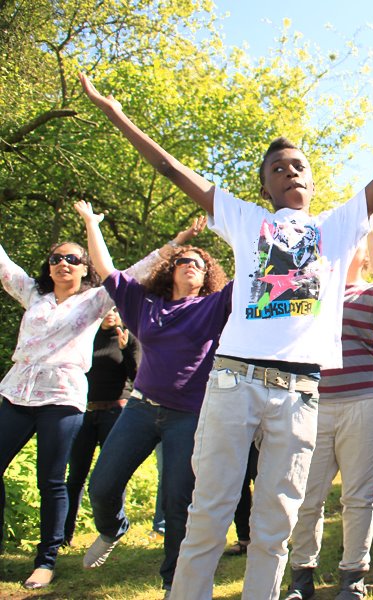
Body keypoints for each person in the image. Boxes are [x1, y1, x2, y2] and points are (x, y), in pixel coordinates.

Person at [80, 51, 373, 599]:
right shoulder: (247, 219)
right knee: (207, 516)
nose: (291, 172)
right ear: (264, 187)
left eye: (300, 167)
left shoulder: (336, 228)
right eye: (278, 169)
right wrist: (113, 111)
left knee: (276, 529)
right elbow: (170, 168)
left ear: (312, 183)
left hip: (299, 394)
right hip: (233, 384)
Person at [0, 208, 172, 590]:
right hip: (16, 393)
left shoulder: (95, 301)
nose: (63, 263)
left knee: (52, 480)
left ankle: (46, 560)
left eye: (73, 259)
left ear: (84, 268)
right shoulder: (34, 296)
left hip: (61, 399)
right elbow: (4, 264)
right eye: (57, 258)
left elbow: (136, 272)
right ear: (48, 267)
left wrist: (173, 245)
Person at [76, 203, 232, 596]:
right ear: (171, 269)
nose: (191, 264)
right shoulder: (145, 303)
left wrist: (233, 227)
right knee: (102, 485)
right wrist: (92, 224)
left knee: (179, 505)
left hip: (189, 417)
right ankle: (113, 528)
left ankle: (173, 582)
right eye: (184, 260)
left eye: (199, 262)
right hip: (141, 409)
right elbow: (107, 268)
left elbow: (252, 274)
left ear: (207, 275)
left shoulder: (213, 306)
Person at [285, 222, 373, 600]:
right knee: (307, 496)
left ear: (365, 255)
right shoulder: (310, 292)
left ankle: (353, 578)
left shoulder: (371, 293)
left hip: (364, 402)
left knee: (357, 496)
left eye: (354, 244)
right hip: (315, 405)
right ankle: (301, 577)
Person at [64, 307, 139, 545]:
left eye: (116, 309)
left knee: (113, 475)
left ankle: (112, 530)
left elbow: (138, 376)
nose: (111, 313)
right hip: (84, 411)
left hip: (115, 413)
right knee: (75, 475)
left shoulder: (128, 338)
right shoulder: (87, 337)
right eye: (106, 308)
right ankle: (64, 534)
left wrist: (127, 349)